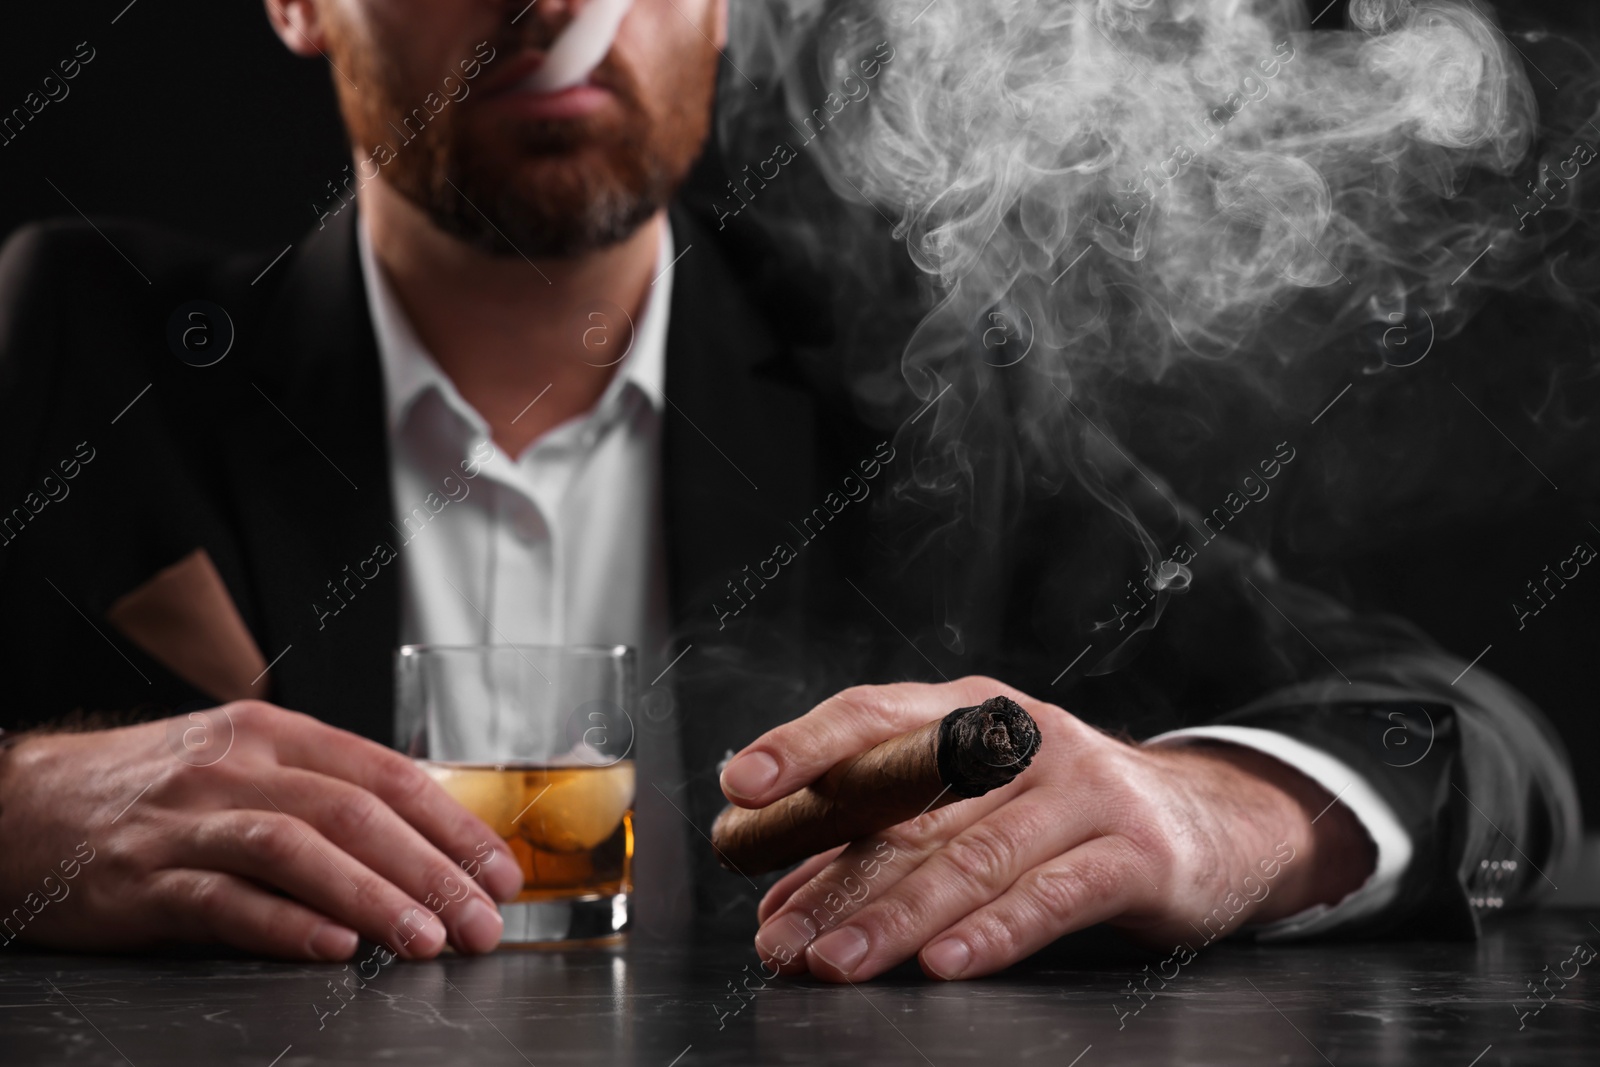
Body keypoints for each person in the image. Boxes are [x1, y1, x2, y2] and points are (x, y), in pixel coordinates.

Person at [0, 0, 1578, 981]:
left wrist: (1221, 816)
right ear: (294, 3)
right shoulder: (71, 344)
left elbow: (1489, 754)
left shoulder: (916, 398)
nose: (560, 8)